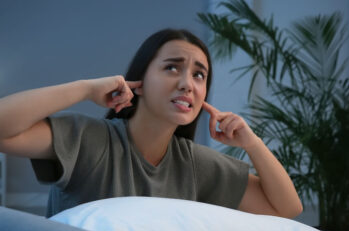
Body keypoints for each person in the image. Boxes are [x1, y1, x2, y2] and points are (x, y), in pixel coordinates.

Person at [0, 29, 302, 218]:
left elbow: (287, 209)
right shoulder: (90, 140)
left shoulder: (195, 165)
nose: (187, 84)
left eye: (199, 75)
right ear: (139, 82)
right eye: (172, 67)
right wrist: (86, 89)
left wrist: (252, 143)